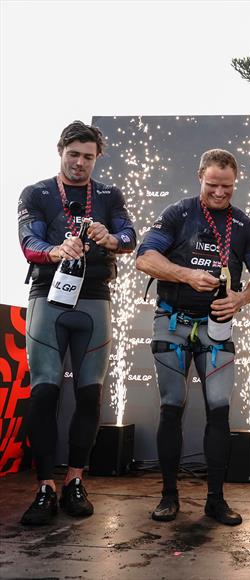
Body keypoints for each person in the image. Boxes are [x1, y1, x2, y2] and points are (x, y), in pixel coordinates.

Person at [136, 149, 250, 526]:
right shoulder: (179, 213)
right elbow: (145, 257)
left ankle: (216, 499)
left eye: (226, 186)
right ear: (200, 176)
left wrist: (241, 298)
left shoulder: (243, 225)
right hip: (173, 322)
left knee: (219, 408)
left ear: (235, 182)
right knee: (172, 404)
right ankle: (168, 496)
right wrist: (186, 275)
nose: (219, 193)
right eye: (212, 185)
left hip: (217, 328)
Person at [18, 120, 137, 525]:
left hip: (94, 299)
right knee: (45, 393)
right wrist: (54, 251)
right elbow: (27, 241)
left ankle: (74, 480)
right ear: (60, 151)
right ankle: (45, 486)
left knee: (89, 395)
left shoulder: (108, 195)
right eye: (74, 155)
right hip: (48, 298)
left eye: (88, 157)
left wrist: (109, 237)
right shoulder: (36, 193)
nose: (80, 163)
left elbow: (130, 236)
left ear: (97, 158)